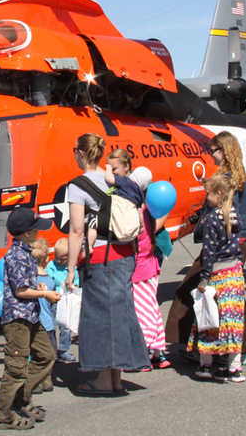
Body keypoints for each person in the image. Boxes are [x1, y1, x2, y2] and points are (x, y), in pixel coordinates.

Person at [65, 133, 149, 395]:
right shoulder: (116, 179)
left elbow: (77, 230)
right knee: (120, 313)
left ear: (80, 153)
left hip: (101, 257)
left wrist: (69, 269)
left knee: (100, 317)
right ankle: (116, 377)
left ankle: (102, 380)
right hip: (125, 254)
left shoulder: (78, 185)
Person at [104, 150, 171, 371]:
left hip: (141, 267)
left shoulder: (134, 208)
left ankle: (143, 353)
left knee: (141, 311)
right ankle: (158, 353)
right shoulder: (146, 205)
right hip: (150, 264)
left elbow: (132, 236)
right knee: (151, 308)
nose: (110, 173)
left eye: (114, 169)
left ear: (126, 169)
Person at [0, 207, 59, 430]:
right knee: (16, 367)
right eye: (36, 230)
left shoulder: (27, 253)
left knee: (46, 355)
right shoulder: (16, 256)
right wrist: (44, 293)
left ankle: (22, 398)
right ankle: (4, 416)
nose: (39, 234)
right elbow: (20, 291)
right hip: (17, 320)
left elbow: (25, 286)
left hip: (31, 316)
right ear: (26, 233)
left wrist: (38, 286)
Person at [192, 173, 246, 383]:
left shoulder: (213, 218)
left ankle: (206, 364)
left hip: (218, 273)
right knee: (232, 319)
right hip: (235, 271)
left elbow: (209, 251)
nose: (207, 198)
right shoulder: (235, 214)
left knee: (210, 318)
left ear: (219, 194)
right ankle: (234, 368)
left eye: (209, 194)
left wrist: (204, 278)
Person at [211, 131, 246, 365]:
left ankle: (230, 349)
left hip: (227, 243)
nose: (212, 155)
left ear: (225, 152)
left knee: (221, 296)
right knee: (233, 296)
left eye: (215, 151)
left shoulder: (227, 179)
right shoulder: (241, 177)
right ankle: (238, 349)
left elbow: (227, 214)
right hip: (238, 241)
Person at [44, 238, 78, 362]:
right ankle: (51, 349)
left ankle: (64, 350)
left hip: (66, 300)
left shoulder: (71, 268)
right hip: (54, 300)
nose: (61, 261)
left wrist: (73, 285)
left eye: (64, 259)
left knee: (65, 327)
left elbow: (76, 281)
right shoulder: (52, 266)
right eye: (59, 258)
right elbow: (47, 279)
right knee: (51, 326)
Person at [32, 237, 57, 394]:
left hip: (34, 321)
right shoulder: (50, 280)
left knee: (34, 353)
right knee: (50, 352)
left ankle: (35, 381)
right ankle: (47, 378)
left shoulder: (30, 280)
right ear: (47, 258)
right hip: (48, 323)